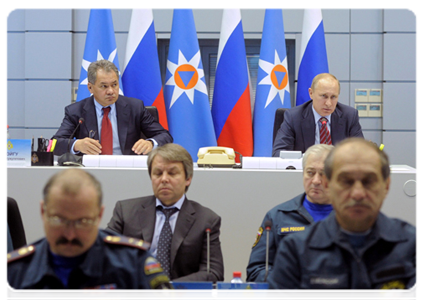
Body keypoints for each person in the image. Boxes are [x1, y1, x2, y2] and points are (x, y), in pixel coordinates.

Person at [267, 138, 419, 300]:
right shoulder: (296, 251)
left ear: (386, 185)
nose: (358, 193)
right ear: (327, 185)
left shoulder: (414, 245)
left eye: (369, 181)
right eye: (346, 181)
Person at [6, 169, 175, 300]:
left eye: (83, 222)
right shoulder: (13, 273)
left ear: (99, 215)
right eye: (59, 220)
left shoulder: (134, 265)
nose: (70, 234)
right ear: (43, 212)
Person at [107, 143, 224, 282]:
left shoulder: (206, 220)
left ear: (188, 178)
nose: (164, 179)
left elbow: (214, 272)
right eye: (158, 173)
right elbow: (104, 257)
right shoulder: (125, 211)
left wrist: (166, 288)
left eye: (172, 173)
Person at [246, 144, 334, 282]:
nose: (316, 181)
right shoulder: (277, 216)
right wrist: (290, 279)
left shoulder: (351, 218)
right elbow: (256, 271)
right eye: (310, 173)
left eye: (323, 174)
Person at [53, 60, 172, 156]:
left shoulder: (135, 107)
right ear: (90, 87)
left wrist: (150, 143)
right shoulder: (76, 111)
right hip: (90, 172)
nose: (111, 91)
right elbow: (54, 144)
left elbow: (165, 136)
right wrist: (77, 145)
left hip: (127, 170)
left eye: (114, 85)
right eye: (104, 86)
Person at [272, 73, 363, 156]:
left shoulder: (349, 116)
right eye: (324, 96)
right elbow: (279, 153)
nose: (328, 103)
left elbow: (360, 152)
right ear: (311, 93)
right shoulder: (294, 117)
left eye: (333, 97)